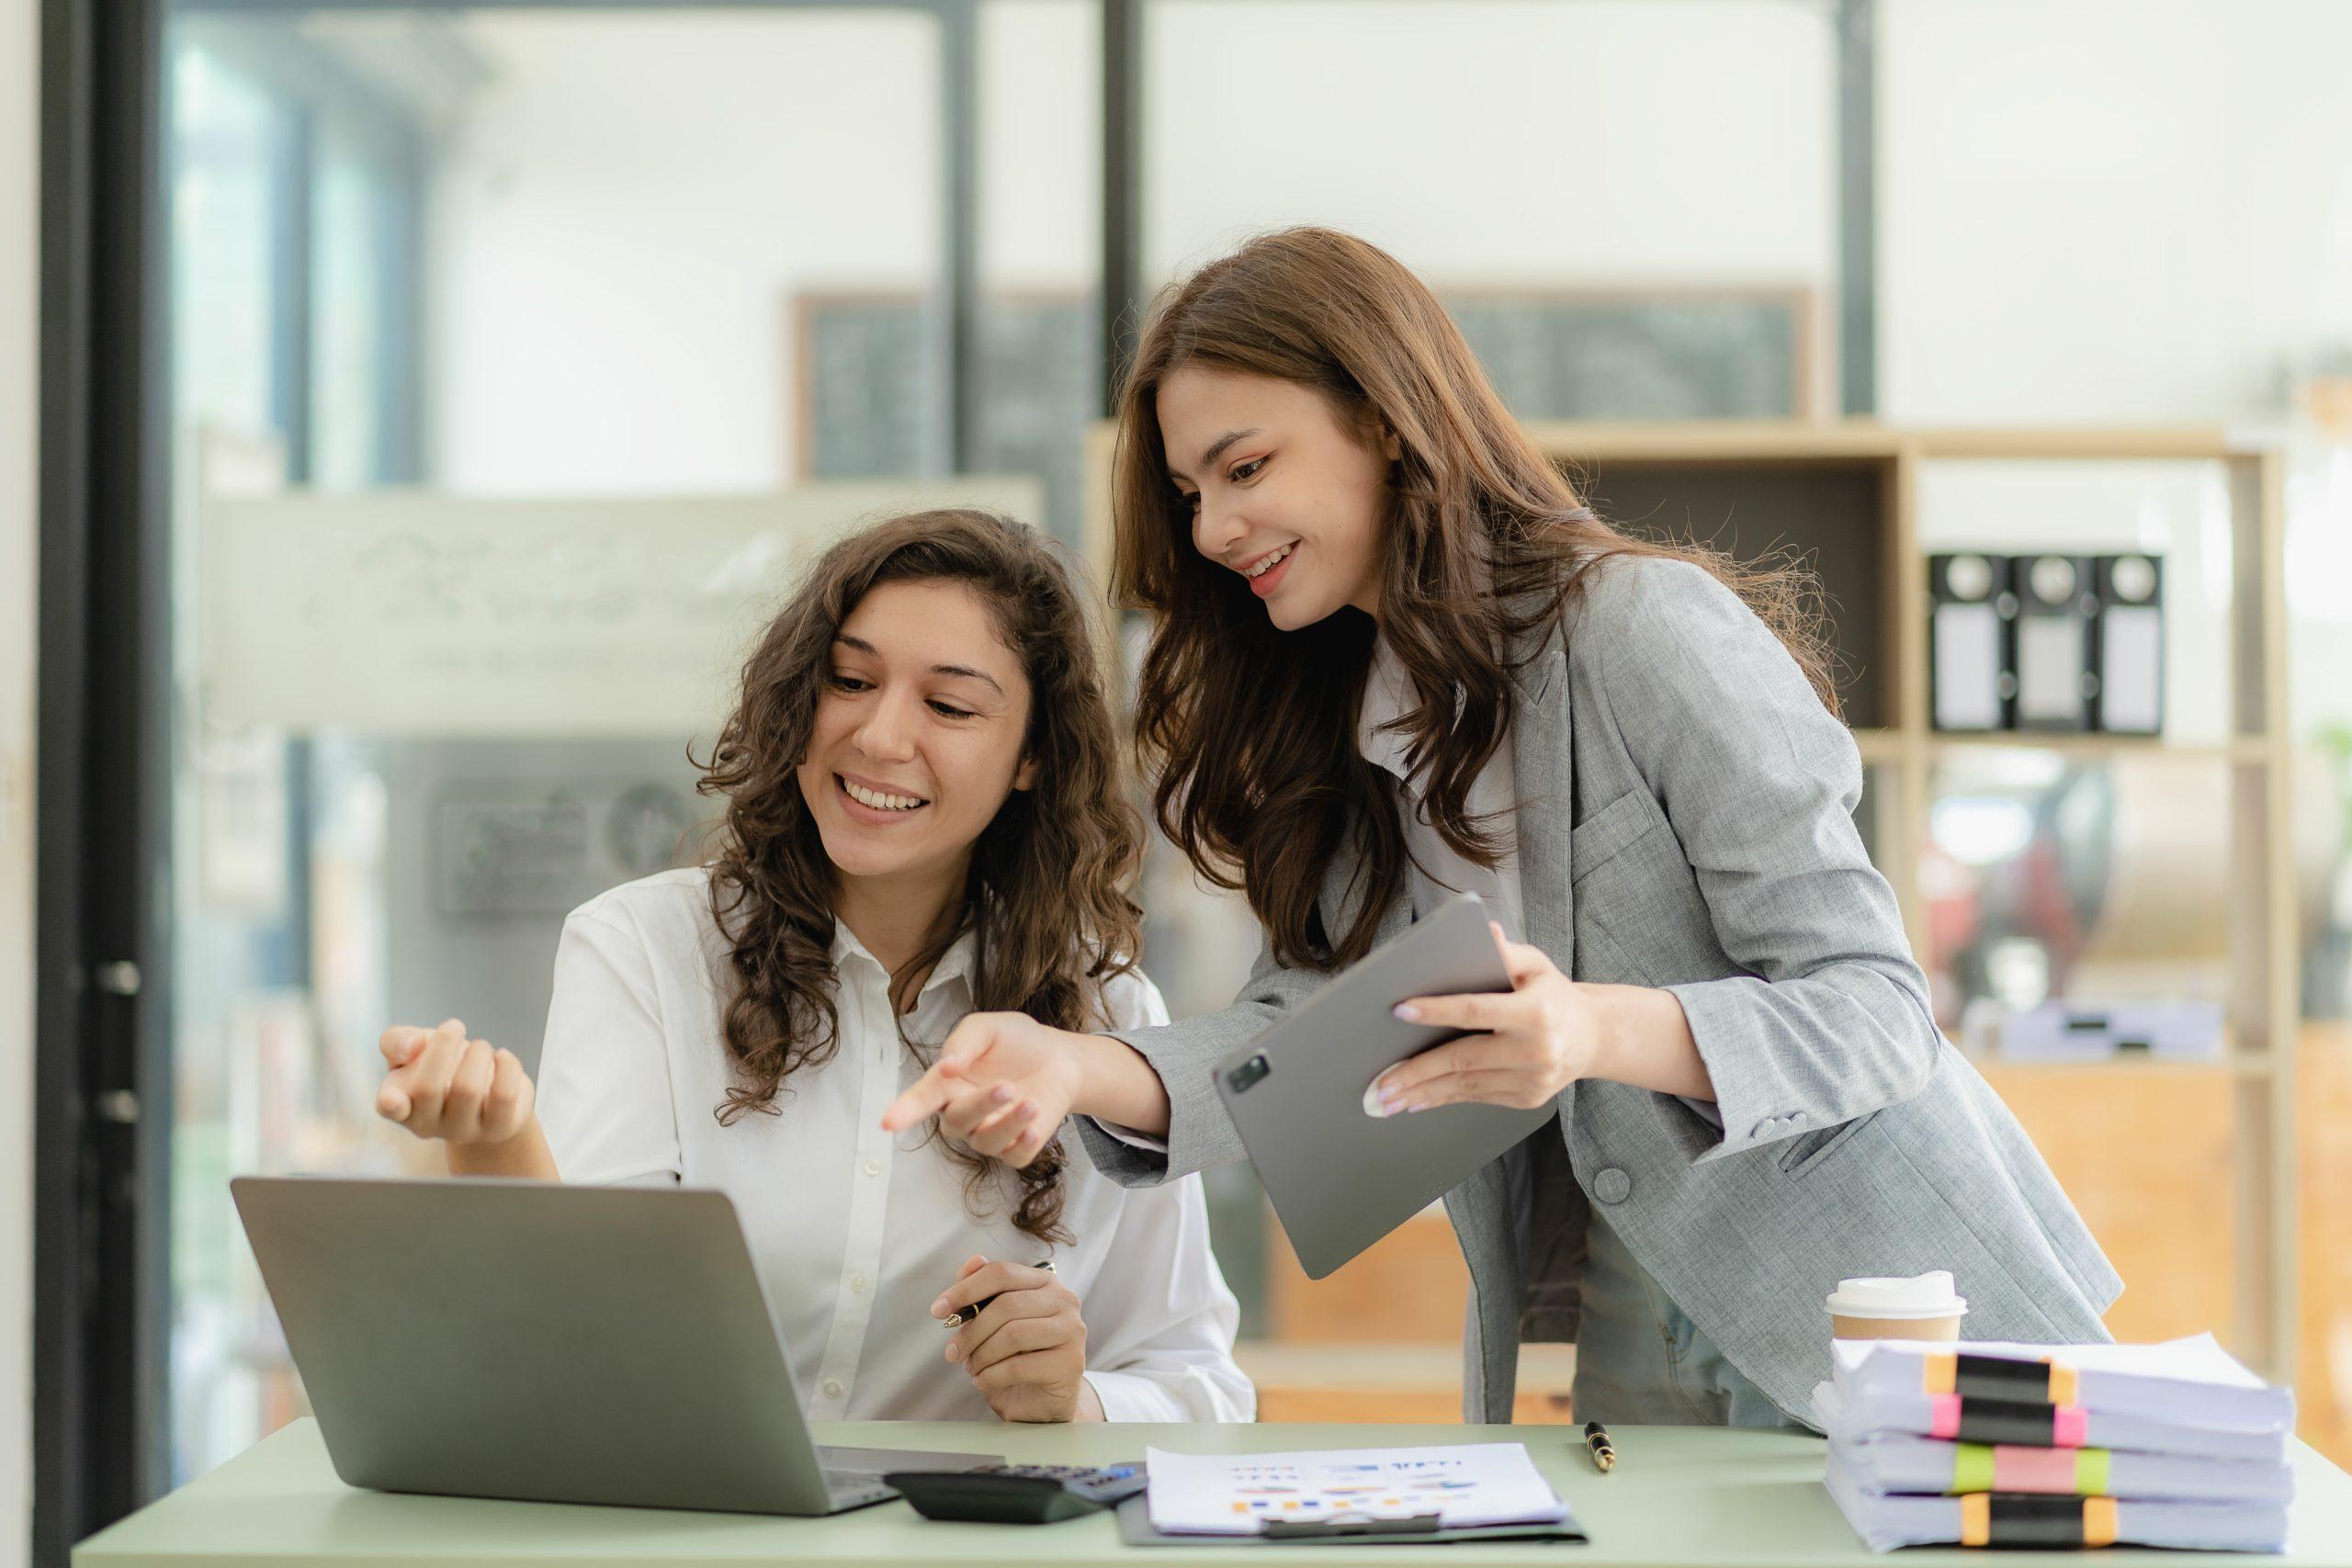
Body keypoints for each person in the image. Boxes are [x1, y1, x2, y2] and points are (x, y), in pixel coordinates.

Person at [885, 229, 2120, 1429]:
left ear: (1383, 417)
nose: (1211, 529)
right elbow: (1301, 1037)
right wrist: (1074, 1061)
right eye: (1192, 491)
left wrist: (1588, 1028)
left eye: (1246, 468)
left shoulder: (1642, 628)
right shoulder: (1345, 727)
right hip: (1641, 1310)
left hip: (1890, 1302)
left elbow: (1876, 1005)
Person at [375, 509, 1251, 1426]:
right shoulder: (645, 950)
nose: (878, 736)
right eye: (848, 681)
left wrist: (1081, 1402)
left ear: (1032, 755)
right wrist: (492, 1143)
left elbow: (1202, 1388)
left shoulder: (1104, 1020)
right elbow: (576, 1342)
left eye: (948, 706)